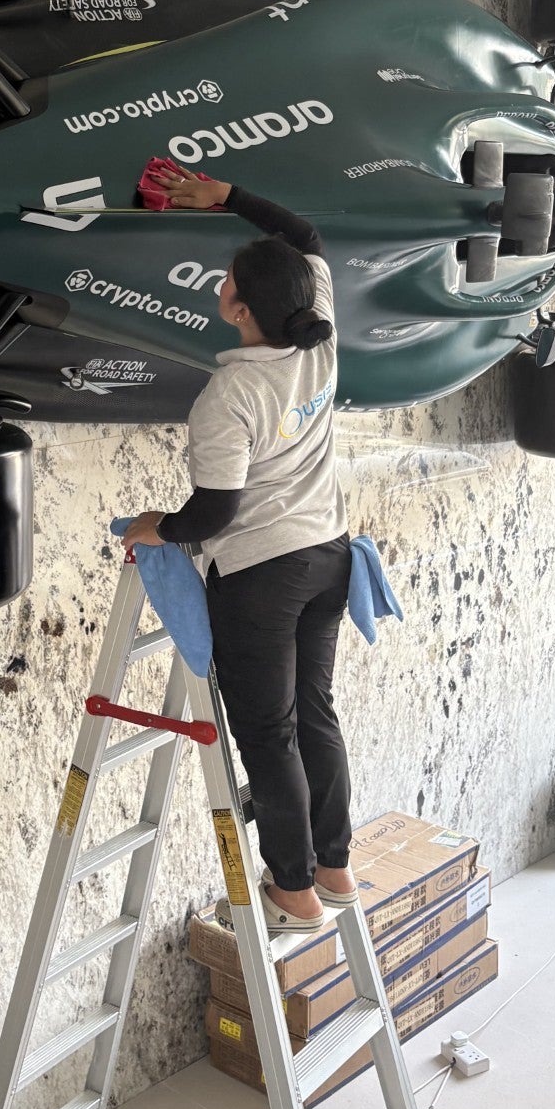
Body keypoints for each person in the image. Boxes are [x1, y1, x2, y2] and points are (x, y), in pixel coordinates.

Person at [122, 166, 355, 935]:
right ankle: (333, 865)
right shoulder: (318, 339)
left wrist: (158, 526)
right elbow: (306, 236)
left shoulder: (228, 397)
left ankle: (294, 889)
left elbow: (215, 511)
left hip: (263, 576)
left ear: (238, 309)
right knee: (313, 713)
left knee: (269, 732)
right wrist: (227, 197)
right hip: (329, 556)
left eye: (227, 282)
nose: (221, 286)